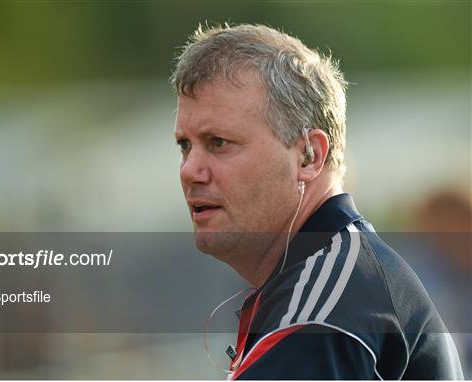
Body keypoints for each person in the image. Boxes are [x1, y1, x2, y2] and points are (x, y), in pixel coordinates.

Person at [171, 24, 463, 380]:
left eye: (218, 142)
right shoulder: (336, 276)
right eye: (185, 145)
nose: (190, 170)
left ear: (309, 157)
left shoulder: (319, 314)